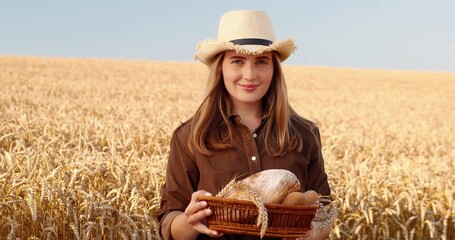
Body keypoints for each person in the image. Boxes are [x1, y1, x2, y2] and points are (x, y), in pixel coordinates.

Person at [156, 10, 333, 240]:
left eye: (261, 61)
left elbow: (325, 212)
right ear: (220, 67)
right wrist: (190, 221)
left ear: (274, 69)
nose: (249, 75)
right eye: (237, 61)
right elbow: (168, 222)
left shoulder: (304, 135)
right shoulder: (190, 136)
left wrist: (315, 233)